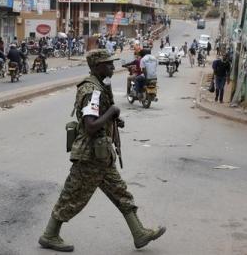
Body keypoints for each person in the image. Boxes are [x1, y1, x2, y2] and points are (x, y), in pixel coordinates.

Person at [38, 49, 165, 252]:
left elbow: (99, 116)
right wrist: (112, 112)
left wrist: (114, 118)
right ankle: (49, 235)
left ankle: (139, 234)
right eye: (108, 64)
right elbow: (90, 126)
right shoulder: (91, 90)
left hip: (101, 155)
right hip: (89, 156)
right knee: (72, 196)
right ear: (97, 66)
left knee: (120, 192)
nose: (112, 67)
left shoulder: (99, 86)